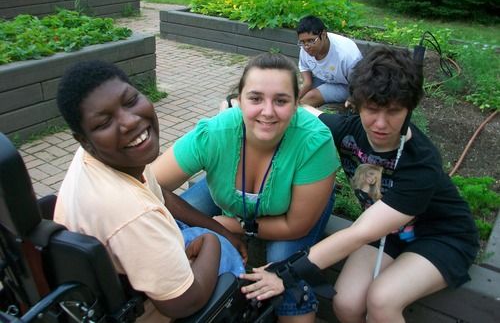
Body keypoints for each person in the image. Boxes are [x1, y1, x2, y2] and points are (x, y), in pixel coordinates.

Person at [240, 46, 479, 323]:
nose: (380, 123)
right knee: (346, 303)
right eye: (372, 109)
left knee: (381, 300)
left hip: (441, 236)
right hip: (389, 233)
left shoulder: (420, 163)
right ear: (357, 104)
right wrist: (237, 107)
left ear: (409, 109)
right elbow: (302, 112)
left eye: (393, 111)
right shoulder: (349, 130)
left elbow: (360, 233)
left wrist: (286, 271)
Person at [152, 52, 340, 323]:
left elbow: (295, 226)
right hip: (230, 191)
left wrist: (235, 226)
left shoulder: (314, 143)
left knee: (279, 264)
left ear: (297, 104)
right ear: (238, 100)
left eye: (281, 100)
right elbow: (150, 187)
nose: (267, 111)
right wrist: (214, 228)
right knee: (170, 225)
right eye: (255, 98)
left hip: (293, 205)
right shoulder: (215, 134)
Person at [54, 60, 246, 323]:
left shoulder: (103, 159)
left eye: (131, 100)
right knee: (220, 250)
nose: (130, 122)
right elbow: (183, 303)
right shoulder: (129, 211)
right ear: (84, 140)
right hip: (149, 307)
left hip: (120, 276)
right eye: (104, 122)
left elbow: (160, 194)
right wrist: (214, 241)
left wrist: (220, 229)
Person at [297, 15, 362, 107]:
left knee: (310, 97)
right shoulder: (304, 47)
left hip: (347, 85)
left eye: (311, 40)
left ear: (323, 34)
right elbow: (307, 82)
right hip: (323, 79)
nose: (306, 46)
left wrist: (352, 100)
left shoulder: (346, 54)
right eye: (302, 42)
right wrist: (295, 100)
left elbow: (359, 84)